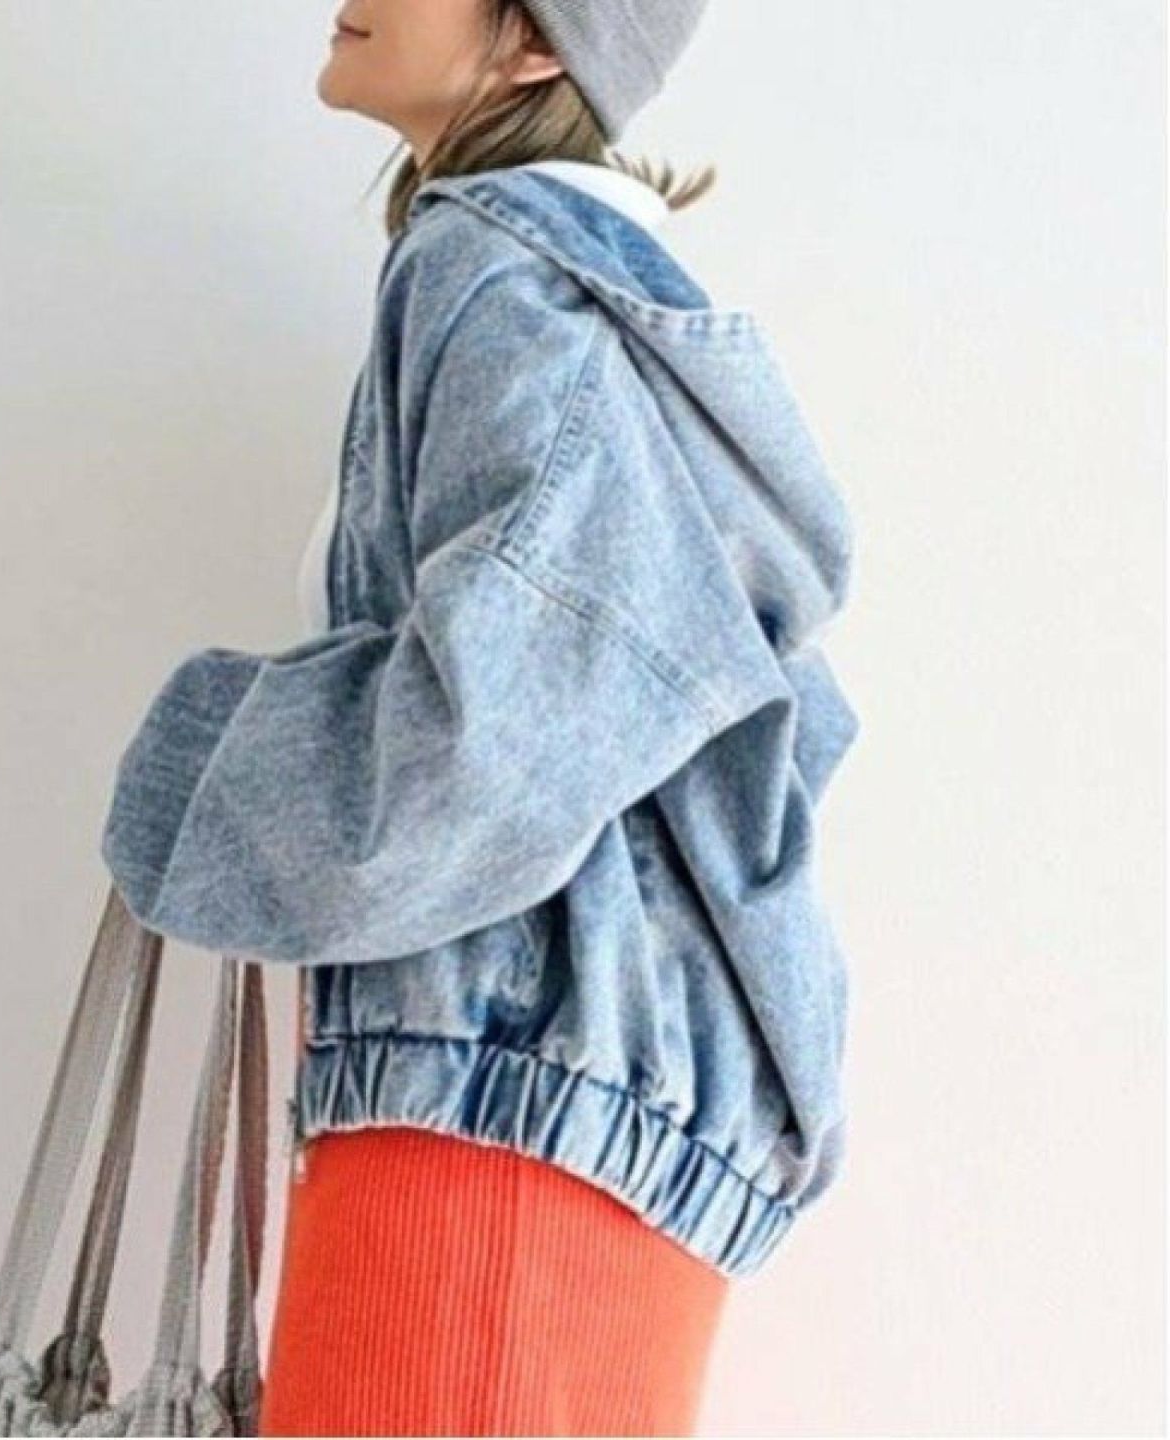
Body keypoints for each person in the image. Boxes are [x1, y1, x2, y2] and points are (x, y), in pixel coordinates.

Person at [98, 0, 861, 1434]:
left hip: (495, 1132)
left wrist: (200, 763)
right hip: (561, 1121)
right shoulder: (577, 297)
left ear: (537, 43)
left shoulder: (500, 278)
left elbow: (504, 728)